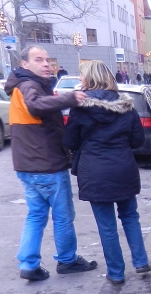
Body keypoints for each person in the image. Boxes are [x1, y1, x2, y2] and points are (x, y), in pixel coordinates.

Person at [5, 45, 97, 281]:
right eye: (39, 60)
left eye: (47, 60)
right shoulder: (29, 85)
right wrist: (69, 98)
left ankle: (28, 263)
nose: (46, 64)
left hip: (27, 165)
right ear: (25, 65)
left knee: (36, 215)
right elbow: (36, 105)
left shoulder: (22, 85)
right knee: (63, 215)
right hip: (46, 165)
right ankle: (67, 260)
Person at [63, 61, 151, 285]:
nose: (80, 80)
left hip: (94, 171)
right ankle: (140, 261)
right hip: (123, 168)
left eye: (82, 76)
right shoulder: (126, 106)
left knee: (107, 225)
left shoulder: (80, 109)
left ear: (89, 79)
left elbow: (70, 141)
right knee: (130, 217)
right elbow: (138, 140)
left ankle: (116, 272)